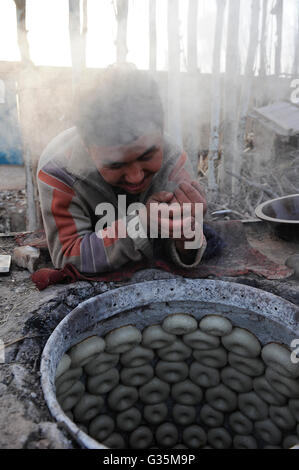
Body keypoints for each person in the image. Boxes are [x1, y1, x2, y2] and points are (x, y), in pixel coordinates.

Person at [37, 64, 208, 275]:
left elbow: (187, 251)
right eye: (115, 165)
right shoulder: (59, 172)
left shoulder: (173, 159)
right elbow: (67, 257)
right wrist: (141, 225)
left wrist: (187, 234)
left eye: (147, 156)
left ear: (162, 128)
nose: (135, 177)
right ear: (87, 147)